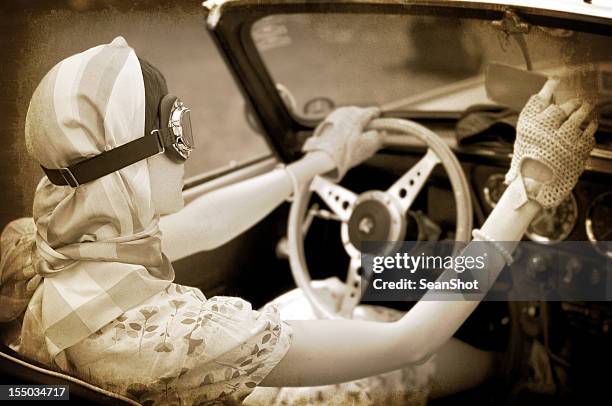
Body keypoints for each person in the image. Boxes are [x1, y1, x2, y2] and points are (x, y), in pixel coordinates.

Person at [0, 37, 596, 405]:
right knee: (408, 366)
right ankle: (515, 369)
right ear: (127, 171)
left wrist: (317, 163)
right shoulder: (174, 341)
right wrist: (523, 193)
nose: (190, 150)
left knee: (335, 291)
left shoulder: (49, 236)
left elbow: (197, 226)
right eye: (174, 134)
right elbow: (409, 339)